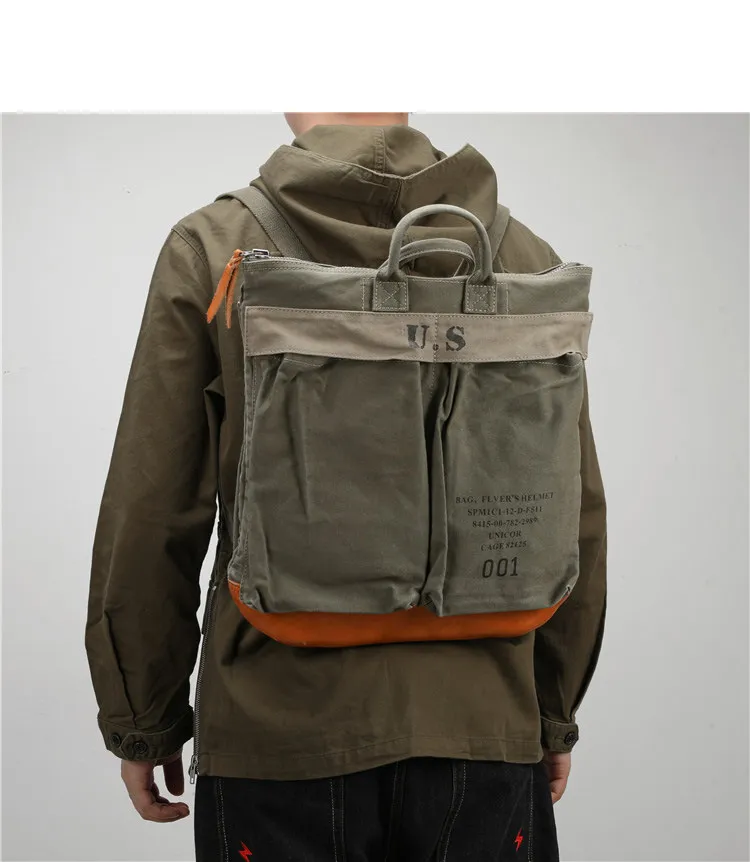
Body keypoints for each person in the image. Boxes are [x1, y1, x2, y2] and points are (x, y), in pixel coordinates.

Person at [85, 112, 607, 861]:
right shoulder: (523, 256)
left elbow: (153, 504)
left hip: (276, 735)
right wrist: (551, 713)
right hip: (485, 728)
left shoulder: (213, 245)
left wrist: (144, 717)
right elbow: (572, 507)